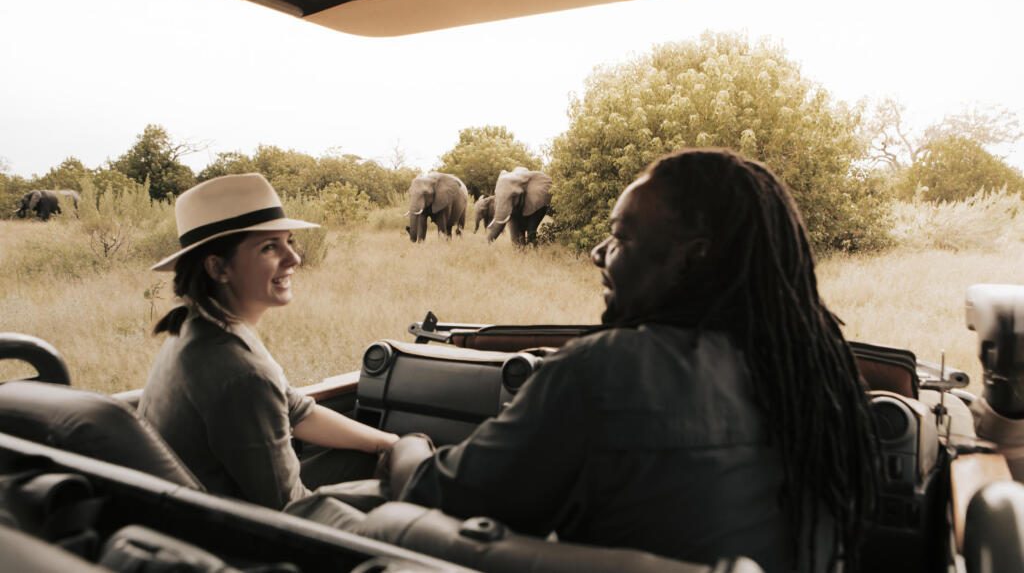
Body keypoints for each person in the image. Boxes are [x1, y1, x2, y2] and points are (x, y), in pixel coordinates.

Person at [386, 148, 879, 572]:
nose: (599, 253)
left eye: (622, 237)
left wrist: (406, 446)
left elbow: (441, 495)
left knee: (344, 515)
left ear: (694, 258)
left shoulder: (605, 373)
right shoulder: (824, 377)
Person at [139, 173, 398, 510]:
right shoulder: (239, 371)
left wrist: (387, 443)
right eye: (269, 247)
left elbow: (294, 410)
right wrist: (400, 500)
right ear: (218, 268)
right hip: (234, 536)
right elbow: (288, 509)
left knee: (374, 461)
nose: (294, 259)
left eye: (288, 241)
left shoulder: (202, 326)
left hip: (207, 512)